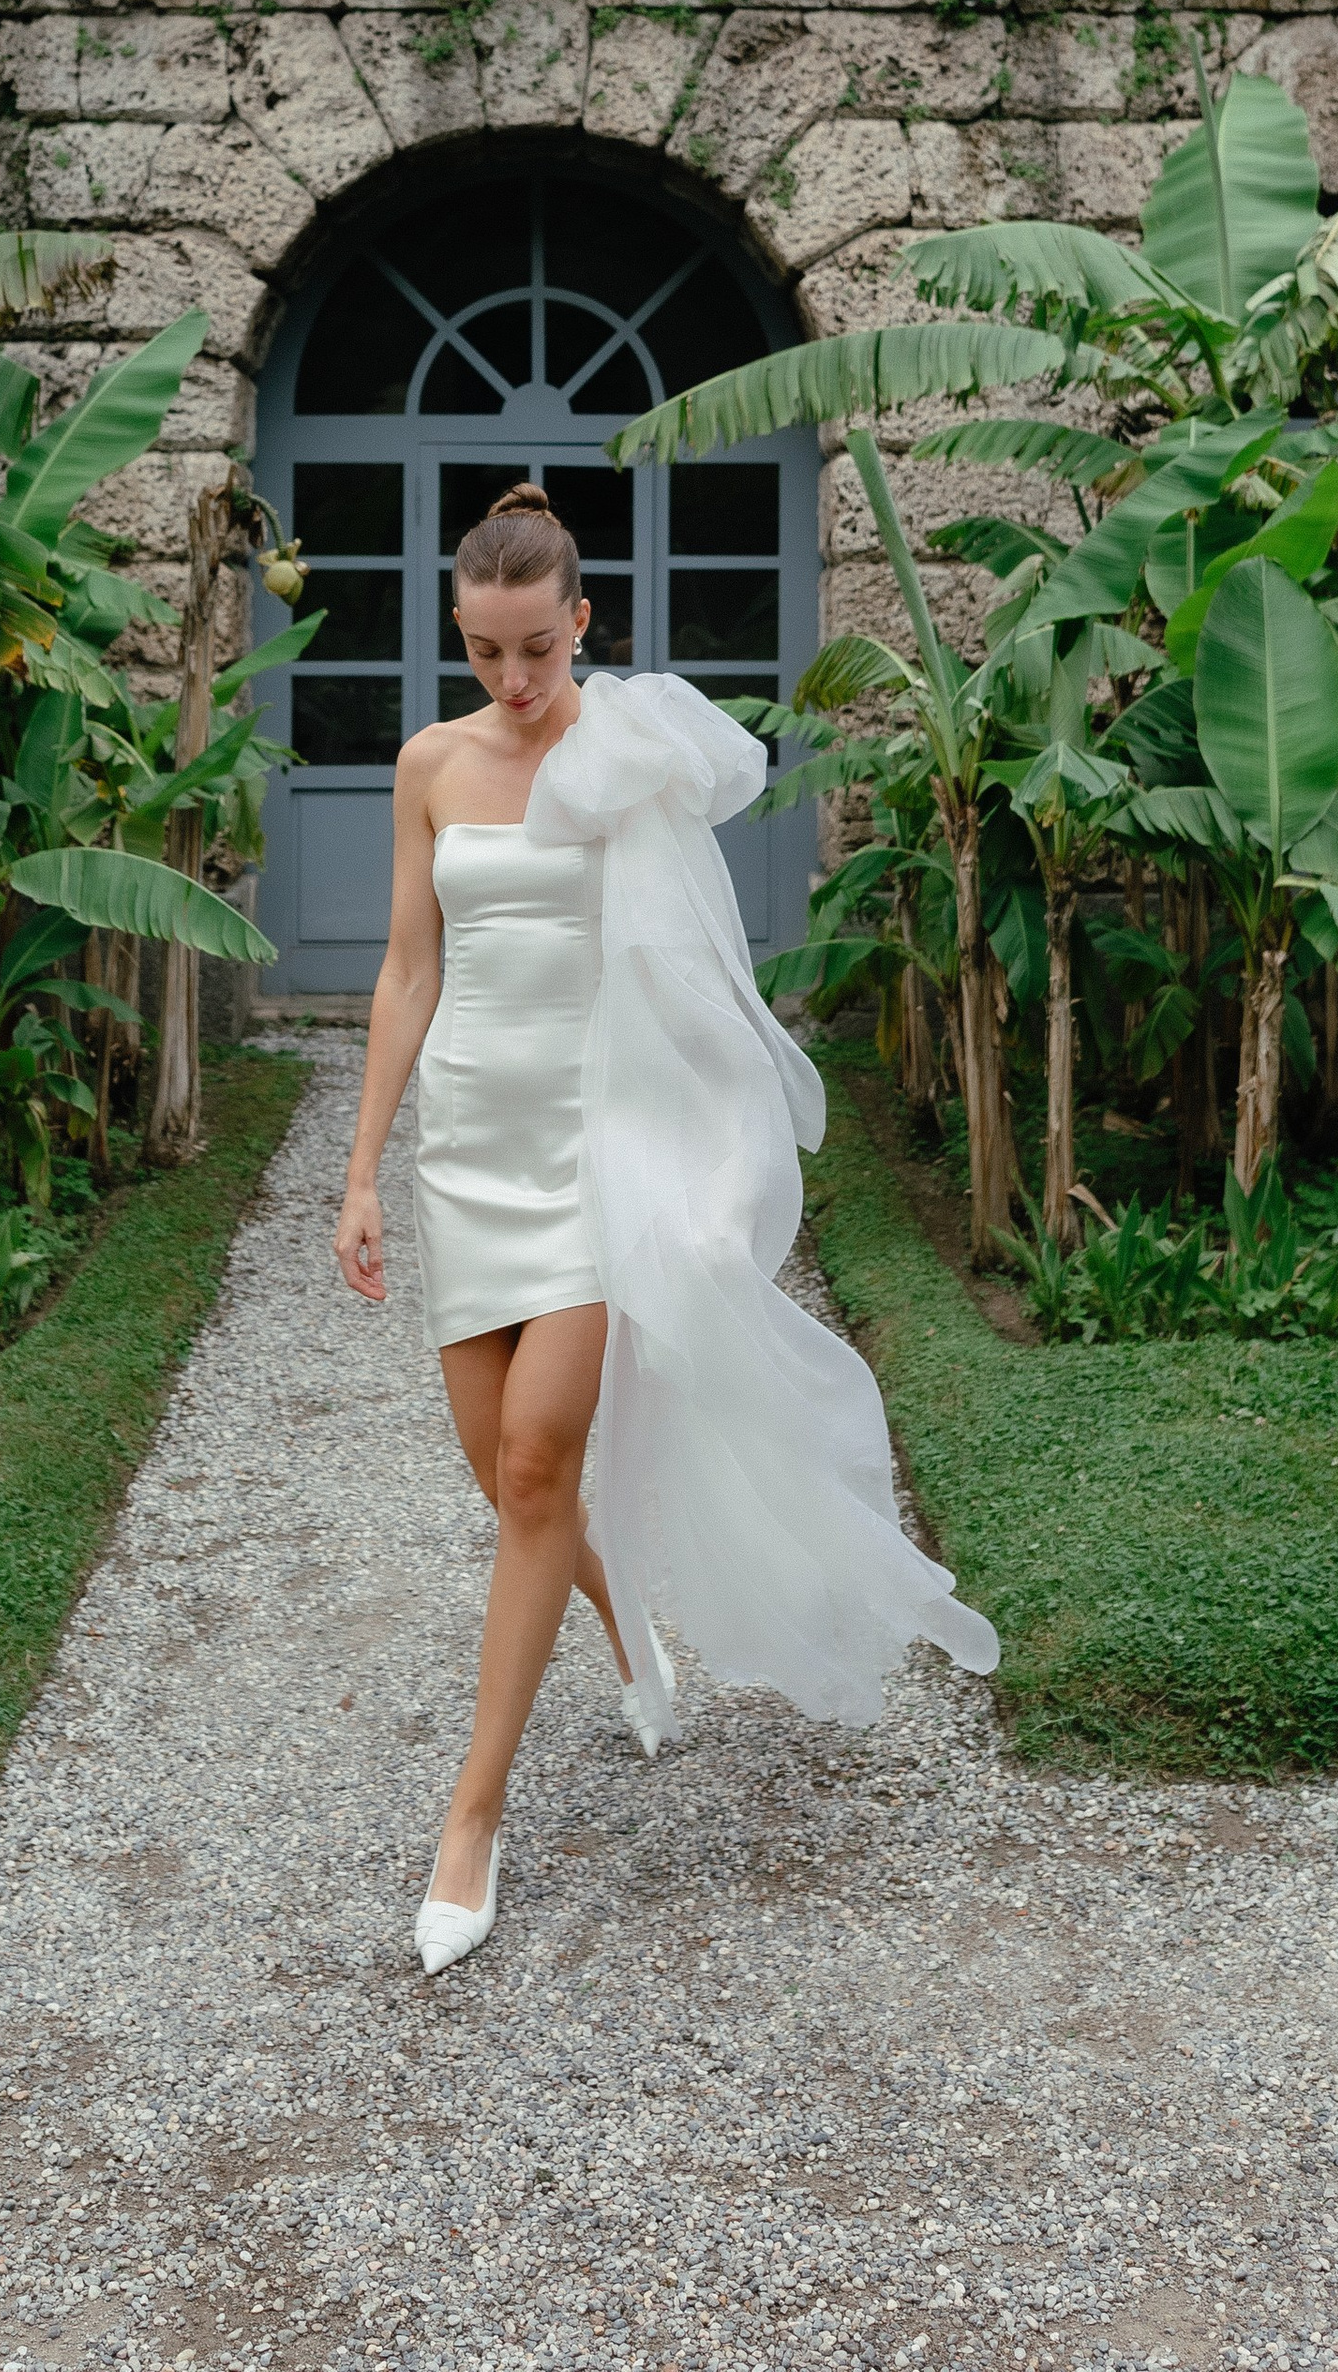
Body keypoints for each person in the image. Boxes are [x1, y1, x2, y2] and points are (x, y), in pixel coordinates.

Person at [332, 481, 998, 1980]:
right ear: (461, 632)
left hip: (597, 1160)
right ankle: (632, 1632)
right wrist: (365, 1169)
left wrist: (704, 1167)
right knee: (514, 1495)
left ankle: (472, 1823)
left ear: (582, 623)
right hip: (465, 1162)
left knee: (532, 1471)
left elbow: (697, 970)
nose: (514, 680)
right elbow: (403, 973)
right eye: (487, 652)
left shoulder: (628, 759)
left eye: (538, 651)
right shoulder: (428, 765)